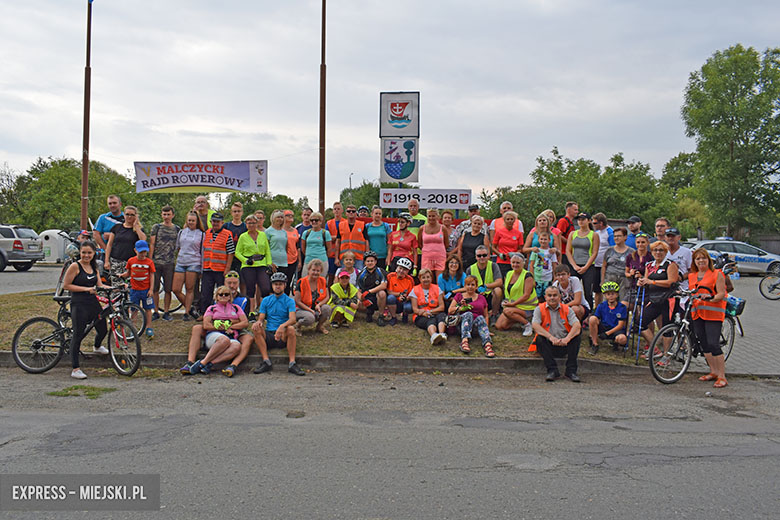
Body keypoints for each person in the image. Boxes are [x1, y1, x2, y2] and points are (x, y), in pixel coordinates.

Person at [62, 240, 111, 379]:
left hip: (92, 302)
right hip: (79, 303)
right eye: (84, 253)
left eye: (89, 253)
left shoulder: (94, 266)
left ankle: (97, 346)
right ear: (80, 253)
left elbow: (99, 285)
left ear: (94, 253)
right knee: (78, 335)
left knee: (103, 329)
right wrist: (86, 289)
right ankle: (75, 368)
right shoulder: (75, 266)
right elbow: (66, 285)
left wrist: (116, 287)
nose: (86, 255)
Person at [185, 285, 252, 377]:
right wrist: (221, 327)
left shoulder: (236, 308)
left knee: (237, 346)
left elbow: (245, 323)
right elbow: (206, 324)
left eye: (226, 294)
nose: (224, 296)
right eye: (221, 294)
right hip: (214, 335)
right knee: (224, 340)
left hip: (231, 336)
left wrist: (231, 326)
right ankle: (200, 362)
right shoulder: (212, 308)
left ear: (230, 297)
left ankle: (207, 363)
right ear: (216, 297)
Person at [687, 248, 729, 388]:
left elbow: (721, 293)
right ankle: (713, 371)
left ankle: (722, 376)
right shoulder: (692, 275)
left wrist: (711, 298)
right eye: (698, 259)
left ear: (708, 260)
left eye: (703, 258)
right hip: (697, 312)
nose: (701, 261)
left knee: (713, 343)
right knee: (703, 343)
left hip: (713, 313)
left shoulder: (717, 274)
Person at [252, 272, 305, 376]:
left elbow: (293, 319)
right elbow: (261, 317)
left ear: (285, 285)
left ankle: (292, 363)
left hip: (283, 334)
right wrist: (258, 322)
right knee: (256, 328)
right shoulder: (266, 300)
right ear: (272, 285)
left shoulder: (289, 300)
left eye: (280, 284)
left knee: (291, 329)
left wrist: (282, 326)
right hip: (270, 333)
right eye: (275, 284)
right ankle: (266, 361)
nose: (278, 286)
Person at [636, 240, 680, 353]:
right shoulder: (649, 265)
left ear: (666, 252)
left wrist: (653, 282)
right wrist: (641, 282)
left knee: (666, 327)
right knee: (640, 322)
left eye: (661, 250)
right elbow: (646, 281)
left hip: (668, 299)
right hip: (654, 299)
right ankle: (655, 349)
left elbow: (671, 282)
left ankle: (666, 355)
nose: (658, 252)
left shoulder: (670, 264)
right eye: (655, 250)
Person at [532, 285, 583, 382]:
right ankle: (552, 371)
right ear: (545, 297)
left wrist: (567, 339)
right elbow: (535, 326)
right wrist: (551, 338)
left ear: (559, 297)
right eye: (549, 295)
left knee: (577, 336)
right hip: (549, 344)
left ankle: (571, 371)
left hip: (565, 343)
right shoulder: (539, 309)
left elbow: (577, 325)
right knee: (539, 339)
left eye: (555, 295)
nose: (552, 298)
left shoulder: (567, 309)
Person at [234, 214, 272, 317]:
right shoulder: (243, 236)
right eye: (249, 223)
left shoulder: (262, 235)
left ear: (257, 223)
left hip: (262, 263)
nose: (251, 225)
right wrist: (245, 261)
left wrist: (269, 263)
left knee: (265, 288)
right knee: (250, 288)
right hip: (249, 265)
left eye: (253, 223)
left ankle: (264, 310)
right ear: (246, 224)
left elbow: (267, 250)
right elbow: (237, 252)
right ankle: (251, 311)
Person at [199, 212, 235, 316]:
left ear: (222, 223)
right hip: (207, 268)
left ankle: (223, 313)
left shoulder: (227, 234)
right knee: (206, 293)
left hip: (221, 269)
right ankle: (205, 314)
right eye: (214, 221)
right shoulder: (206, 233)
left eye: (218, 222)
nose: (215, 224)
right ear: (211, 222)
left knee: (222, 293)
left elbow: (231, 252)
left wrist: (227, 268)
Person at [448, 275, 493, 357]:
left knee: (480, 317)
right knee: (469, 314)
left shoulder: (482, 298)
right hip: (461, 324)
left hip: (476, 325)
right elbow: (450, 310)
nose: (470, 287)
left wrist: (486, 328)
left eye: (472, 285)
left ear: (476, 287)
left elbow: (486, 315)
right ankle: (464, 341)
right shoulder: (459, 296)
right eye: (468, 285)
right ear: (465, 286)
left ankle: (487, 343)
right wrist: (460, 308)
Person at [119, 240, 156, 338]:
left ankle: (149, 327)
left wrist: (151, 289)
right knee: (134, 309)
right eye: (141, 252)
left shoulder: (149, 262)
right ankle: (133, 328)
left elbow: (152, 276)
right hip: (134, 290)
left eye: (145, 252)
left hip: (146, 290)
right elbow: (128, 273)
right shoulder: (131, 261)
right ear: (135, 250)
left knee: (148, 309)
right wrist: (122, 276)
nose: (143, 254)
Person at [149, 205, 180, 321]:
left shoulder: (177, 229)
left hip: (170, 263)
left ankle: (166, 312)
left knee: (168, 289)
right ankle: (156, 311)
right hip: (157, 262)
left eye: (168, 214)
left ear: (173, 215)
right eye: (164, 214)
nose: (166, 216)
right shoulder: (156, 227)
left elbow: (179, 246)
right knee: (155, 288)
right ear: (162, 215)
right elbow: (152, 244)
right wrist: (150, 260)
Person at [172, 211, 204, 321]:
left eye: (193, 221)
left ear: (197, 222)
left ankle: (186, 313)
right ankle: (191, 308)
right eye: (189, 220)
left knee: (189, 289)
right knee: (176, 289)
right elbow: (178, 247)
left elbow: (203, 251)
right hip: (181, 262)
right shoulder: (181, 232)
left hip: (194, 262)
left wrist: (202, 268)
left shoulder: (201, 234)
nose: (191, 222)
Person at [495, 253, 537, 335]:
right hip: (514, 306)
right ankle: (519, 320)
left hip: (527, 307)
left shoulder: (528, 276)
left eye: (518, 263)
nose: (515, 265)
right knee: (500, 326)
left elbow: (526, 295)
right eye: (513, 262)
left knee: (507, 311)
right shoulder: (509, 273)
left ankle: (527, 325)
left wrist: (512, 304)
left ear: (523, 263)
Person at [565, 212, 600, 309]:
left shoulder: (594, 235)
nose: (581, 221)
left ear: (589, 221)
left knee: (588, 291)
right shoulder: (573, 234)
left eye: (583, 219)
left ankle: (588, 313)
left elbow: (594, 252)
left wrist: (586, 267)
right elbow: (568, 251)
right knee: (571, 290)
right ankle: (571, 311)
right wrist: (574, 265)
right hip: (574, 265)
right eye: (579, 219)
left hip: (588, 266)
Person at [104, 205, 145, 284]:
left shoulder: (138, 229)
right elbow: (109, 245)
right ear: (124, 215)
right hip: (116, 261)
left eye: (132, 215)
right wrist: (106, 261)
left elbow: (143, 240)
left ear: (136, 216)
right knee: (116, 286)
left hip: (131, 262)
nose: (129, 217)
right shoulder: (117, 227)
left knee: (131, 286)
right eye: (127, 214)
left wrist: (136, 226)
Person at [585, 281, 628, 354]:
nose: (610, 296)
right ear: (605, 295)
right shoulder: (601, 305)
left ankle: (615, 342)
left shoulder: (622, 307)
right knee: (592, 319)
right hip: (604, 326)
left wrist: (607, 333)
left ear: (617, 295)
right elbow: (596, 319)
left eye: (613, 294)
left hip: (616, 329)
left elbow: (620, 325)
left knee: (622, 339)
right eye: (608, 294)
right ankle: (595, 344)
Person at [294, 258, 332, 334]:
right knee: (310, 318)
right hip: (301, 309)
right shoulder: (301, 282)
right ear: (309, 270)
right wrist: (310, 310)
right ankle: (297, 326)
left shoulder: (323, 280)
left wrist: (319, 305)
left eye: (318, 271)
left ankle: (319, 326)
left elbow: (327, 297)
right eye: (313, 270)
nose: (315, 272)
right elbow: (297, 301)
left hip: (315, 308)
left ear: (321, 272)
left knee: (327, 308)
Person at [410, 268, 448, 345]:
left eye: (428, 277)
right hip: (421, 315)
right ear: (419, 279)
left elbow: (441, 307)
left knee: (442, 316)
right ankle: (433, 336)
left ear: (431, 278)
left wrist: (430, 311)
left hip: (435, 311)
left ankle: (442, 334)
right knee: (430, 320)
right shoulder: (414, 290)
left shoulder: (437, 289)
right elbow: (415, 309)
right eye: (423, 277)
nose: (426, 279)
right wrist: (422, 313)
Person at [468, 245, 504, 324]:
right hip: (476, 294)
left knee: (498, 290)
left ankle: (494, 315)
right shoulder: (470, 269)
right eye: (479, 255)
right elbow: (467, 285)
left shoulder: (493, 266)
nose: (482, 257)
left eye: (484, 255)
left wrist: (486, 286)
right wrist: (476, 290)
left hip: (490, 294)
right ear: (476, 257)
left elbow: (499, 282)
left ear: (488, 256)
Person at [601, 227, 634, 305]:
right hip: (610, 278)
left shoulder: (631, 252)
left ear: (625, 237)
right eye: (615, 236)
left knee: (623, 303)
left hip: (624, 280)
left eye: (619, 236)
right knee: (608, 303)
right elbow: (604, 266)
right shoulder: (609, 251)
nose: (616, 238)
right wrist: (602, 281)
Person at [357, 251, 388, 326]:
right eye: (368, 261)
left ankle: (381, 316)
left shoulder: (380, 271)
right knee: (357, 303)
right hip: (366, 297)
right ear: (364, 262)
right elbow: (358, 290)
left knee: (382, 293)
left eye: (372, 261)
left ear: (376, 262)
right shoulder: (361, 274)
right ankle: (369, 312)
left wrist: (369, 291)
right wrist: (362, 298)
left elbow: (384, 285)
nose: (370, 263)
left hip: (377, 296)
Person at [265, 210, 293, 294]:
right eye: (278, 217)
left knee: (282, 285)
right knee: (272, 286)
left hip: (283, 261)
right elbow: (266, 248)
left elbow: (286, 246)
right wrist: (269, 262)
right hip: (273, 261)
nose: (280, 219)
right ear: (273, 218)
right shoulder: (268, 231)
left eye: (281, 217)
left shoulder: (284, 232)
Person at [591, 212, 615, 307]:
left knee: (606, 289)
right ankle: (597, 308)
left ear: (601, 223)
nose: (593, 225)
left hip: (605, 265)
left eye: (595, 223)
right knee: (597, 289)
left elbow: (613, 248)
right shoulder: (596, 233)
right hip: (596, 264)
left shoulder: (610, 232)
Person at [491, 210, 524, 278]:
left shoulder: (518, 233)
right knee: (502, 281)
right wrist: (499, 254)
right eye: (508, 219)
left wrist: (515, 254)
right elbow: (493, 247)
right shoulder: (499, 232)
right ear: (504, 220)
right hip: (502, 261)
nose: (510, 221)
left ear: (514, 220)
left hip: (514, 262)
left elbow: (521, 249)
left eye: (512, 219)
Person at [335, 204, 367, 271]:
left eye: (353, 211)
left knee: (359, 277)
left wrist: (367, 257)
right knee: (344, 277)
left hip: (359, 257)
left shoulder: (362, 225)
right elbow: (337, 242)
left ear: (356, 213)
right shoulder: (341, 225)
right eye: (349, 211)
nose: (351, 213)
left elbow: (366, 242)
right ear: (346, 213)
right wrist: (336, 258)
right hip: (344, 257)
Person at [301, 212, 332, 276]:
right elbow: (303, 248)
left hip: (322, 260)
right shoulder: (306, 233)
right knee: (305, 280)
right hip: (308, 260)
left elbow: (329, 249)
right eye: (312, 220)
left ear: (320, 221)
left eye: (316, 220)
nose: (314, 222)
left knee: (320, 282)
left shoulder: (325, 233)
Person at [625, 232, 653, 306]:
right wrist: (631, 273)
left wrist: (642, 276)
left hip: (647, 288)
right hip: (633, 287)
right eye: (638, 242)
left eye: (643, 242)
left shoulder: (651, 256)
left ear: (647, 243)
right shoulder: (630, 256)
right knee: (624, 305)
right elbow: (626, 273)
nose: (640, 244)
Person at [420, 208, 449, 279]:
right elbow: (420, 244)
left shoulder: (443, 228)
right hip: (426, 257)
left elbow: (446, 244)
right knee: (427, 278)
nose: (431, 218)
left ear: (437, 217)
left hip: (440, 257)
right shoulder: (422, 228)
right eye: (429, 216)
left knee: (440, 279)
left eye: (433, 216)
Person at [528, 231, 557, 298]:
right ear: (538, 240)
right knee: (537, 296)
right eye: (541, 239)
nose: (543, 241)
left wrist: (555, 277)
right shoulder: (535, 251)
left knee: (547, 296)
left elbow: (554, 265)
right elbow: (531, 265)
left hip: (548, 278)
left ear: (549, 240)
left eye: (545, 239)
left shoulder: (551, 252)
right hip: (537, 278)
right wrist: (532, 278)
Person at [386, 257, 415, 325]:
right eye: (400, 268)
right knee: (390, 298)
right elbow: (389, 292)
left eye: (404, 269)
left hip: (405, 300)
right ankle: (393, 317)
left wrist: (406, 298)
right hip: (395, 300)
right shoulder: (390, 276)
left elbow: (411, 293)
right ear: (397, 268)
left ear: (408, 271)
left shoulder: (410, 279)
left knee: (408, 307)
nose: (401, 271)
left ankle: (405, 315)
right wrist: (400, 295)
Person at [224, 202, 248, 280]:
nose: (237, 213)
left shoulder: (245, 227)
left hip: (241, 258)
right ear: (231, 213)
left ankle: (243, 293)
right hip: (228, 258)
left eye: (239, 211)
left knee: (243, 282)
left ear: (242, 212)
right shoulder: (226, 226)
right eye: (235, 211)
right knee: (228, 280)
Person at [325, 201, 344, 283]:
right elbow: (327, 237)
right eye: (335, 209)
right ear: (333, 211)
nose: (336, 211)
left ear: (342, 211)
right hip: (331, 255)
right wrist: (338, 237)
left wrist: (334, 237)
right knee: (331, 276)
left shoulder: (345, 222)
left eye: (338, 209)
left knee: (343, 276)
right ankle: (330, 294)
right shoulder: (329, 223)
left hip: (343, 254)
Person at [283, 210, 301, 284]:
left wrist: (299, 261)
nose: (290, 216)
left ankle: (286, 296)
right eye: (288, 215)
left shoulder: (295, 230)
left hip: (293, 260)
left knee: (289, 282)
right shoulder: (279, 230)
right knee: (280, 282)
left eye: (292, 215)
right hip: (282, 260)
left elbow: (298, 247)